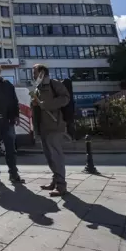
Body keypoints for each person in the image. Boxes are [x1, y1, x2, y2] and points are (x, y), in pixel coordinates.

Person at [31, 64, 71, 196]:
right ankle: (55, 181)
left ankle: (61, 186)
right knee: (49, 156)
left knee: (56, 156)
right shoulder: (38, 87)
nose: (33, 75)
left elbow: (65, 98)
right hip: (43, 126)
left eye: (35, 72)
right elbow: (39, 106)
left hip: (54, 125)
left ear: (42, 73)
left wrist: (45, 104)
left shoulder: (54, 84)